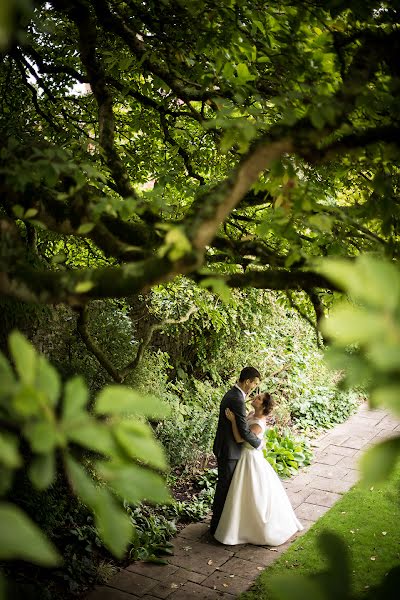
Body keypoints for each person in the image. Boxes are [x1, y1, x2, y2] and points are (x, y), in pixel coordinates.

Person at [214, 392, 303, 545]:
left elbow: (240, 439)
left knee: (252, 493)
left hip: (250, 459)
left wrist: (234, 421)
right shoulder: (250, 414)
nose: (255, 398)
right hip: (244, 456)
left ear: (263, 406)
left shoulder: (257, 425)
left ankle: (253, 528)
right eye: (257, 396)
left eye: (259, 398)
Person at [209, 366, 262, 536]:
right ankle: (216, 527)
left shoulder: (234, 394)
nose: (255, 387)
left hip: (228, 447)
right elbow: (244, 432)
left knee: (226, 487)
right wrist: (258, 443)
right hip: (229, 450)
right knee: (224, 487)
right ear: (247, 381)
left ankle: (221, 524)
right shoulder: (237, 399)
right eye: (254, 383)